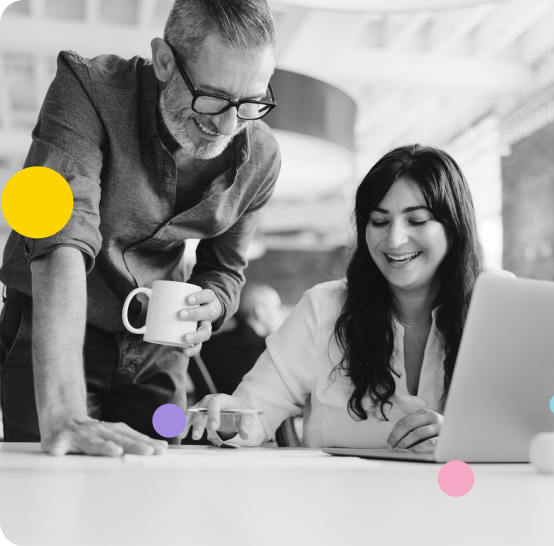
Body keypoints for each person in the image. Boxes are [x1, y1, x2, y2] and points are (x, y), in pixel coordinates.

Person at [0, 0, 280, 457]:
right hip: (55, 329)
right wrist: (66, 414)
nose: (230, 125)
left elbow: (226, 269)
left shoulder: (262, 158)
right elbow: (59, 234)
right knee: (50, 477)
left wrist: (215, 304)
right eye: (212, 96)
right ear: (165, 60)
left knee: (157, 474)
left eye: (250, 101)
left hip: (157, 349)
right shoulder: (87, 88)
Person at [182, 144, 504, 450]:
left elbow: (541, 420)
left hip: (459, 501)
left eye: (417, 220)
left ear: (454, 226)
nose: (394, 239)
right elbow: (252, 412)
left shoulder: (499, 306)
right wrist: (227, 416)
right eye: (379, 221)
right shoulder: (324, 309)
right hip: (337, 504)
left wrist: (466, 437)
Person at [195, 283, 283, 399]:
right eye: (278, 307)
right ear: (260, 312)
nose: (281, 314)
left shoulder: (206, 344)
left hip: (210, 413)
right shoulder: (270, 349)